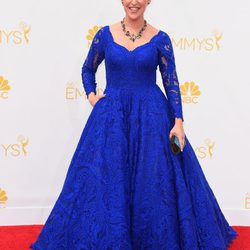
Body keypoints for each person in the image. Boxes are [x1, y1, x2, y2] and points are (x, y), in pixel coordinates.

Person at [30, 0, 238, 249]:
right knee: (105, 179)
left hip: (151, 118)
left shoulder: (161, 39)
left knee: (152, 179)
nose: (134, 2)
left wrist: (178, 122)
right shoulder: (104, 36)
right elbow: (88, 69)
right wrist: (92, 96)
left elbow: (171, 83)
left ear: (149, 0)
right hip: (112, 118)